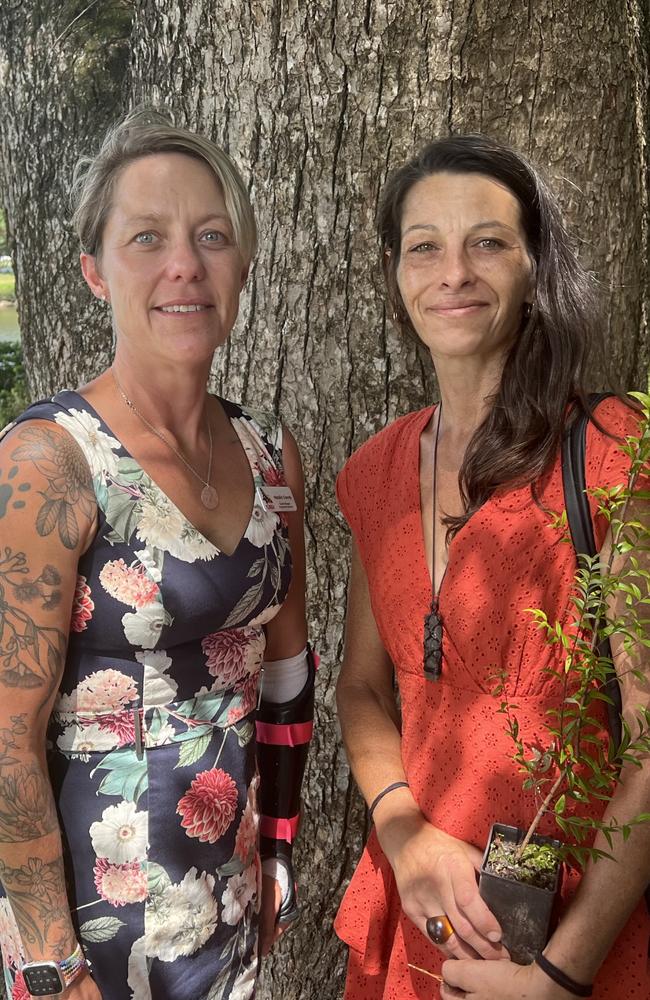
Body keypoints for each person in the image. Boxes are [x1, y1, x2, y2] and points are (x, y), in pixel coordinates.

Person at [0, 109, 314, 1000]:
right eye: (148, 238)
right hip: (90, 934)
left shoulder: (267, 452)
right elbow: (5, 741)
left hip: (229, 907)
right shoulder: (51, 464)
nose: (185, 264)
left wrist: (279, 851)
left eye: (211, 236)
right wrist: (54, 967)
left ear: (242, 267)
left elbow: (288, 669)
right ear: (97, 273)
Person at [334, 134, 650, 1000]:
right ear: (397, 277)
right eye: (424, 245)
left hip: (576, 933)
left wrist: (562, 971)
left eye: (489, 242)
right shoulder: (376, 472)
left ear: (534, 267)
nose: (454, 271)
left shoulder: (611, 454)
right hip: (423, 917)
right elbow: (363, 688)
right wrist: (405, 834)